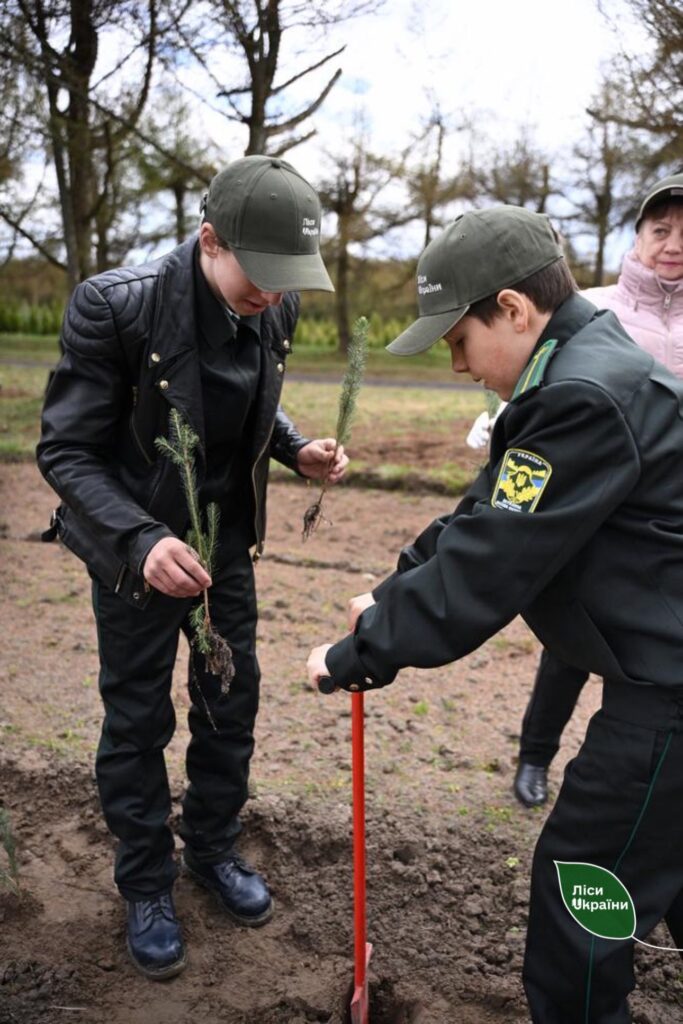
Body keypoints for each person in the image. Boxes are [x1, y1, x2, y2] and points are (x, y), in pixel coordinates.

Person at [307, 204, 683, 1024]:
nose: (454, 365)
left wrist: (356, 651)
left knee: (584, 877)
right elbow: (486, 511)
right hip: (660, 670)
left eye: (456, 340)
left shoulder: (581, 392)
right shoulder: (579, 367)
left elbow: (491, 567)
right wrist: (394, 583)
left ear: (511, 310)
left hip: (670, 691)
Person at [37, 155, 348, 980]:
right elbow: (65, 449)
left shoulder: (267, 307)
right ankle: (145, 883)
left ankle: (210, 850)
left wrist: (292, 446)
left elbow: (245, 395)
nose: (274, 298)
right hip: (136, 555)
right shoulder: (118, 306)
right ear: (209, 240)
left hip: (224, 549)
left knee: (228, 705)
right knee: (137, 722)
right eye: (262, 276)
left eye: (289, 281)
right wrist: (140, 540)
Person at [506, 170, 683, 808]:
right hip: (590, 505)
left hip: (665, 516)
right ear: (637, 236)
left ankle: (642, 771)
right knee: (573, 636)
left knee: (654, 647)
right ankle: (535, 756)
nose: (672, 243)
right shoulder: (598, 308)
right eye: (660, 229)